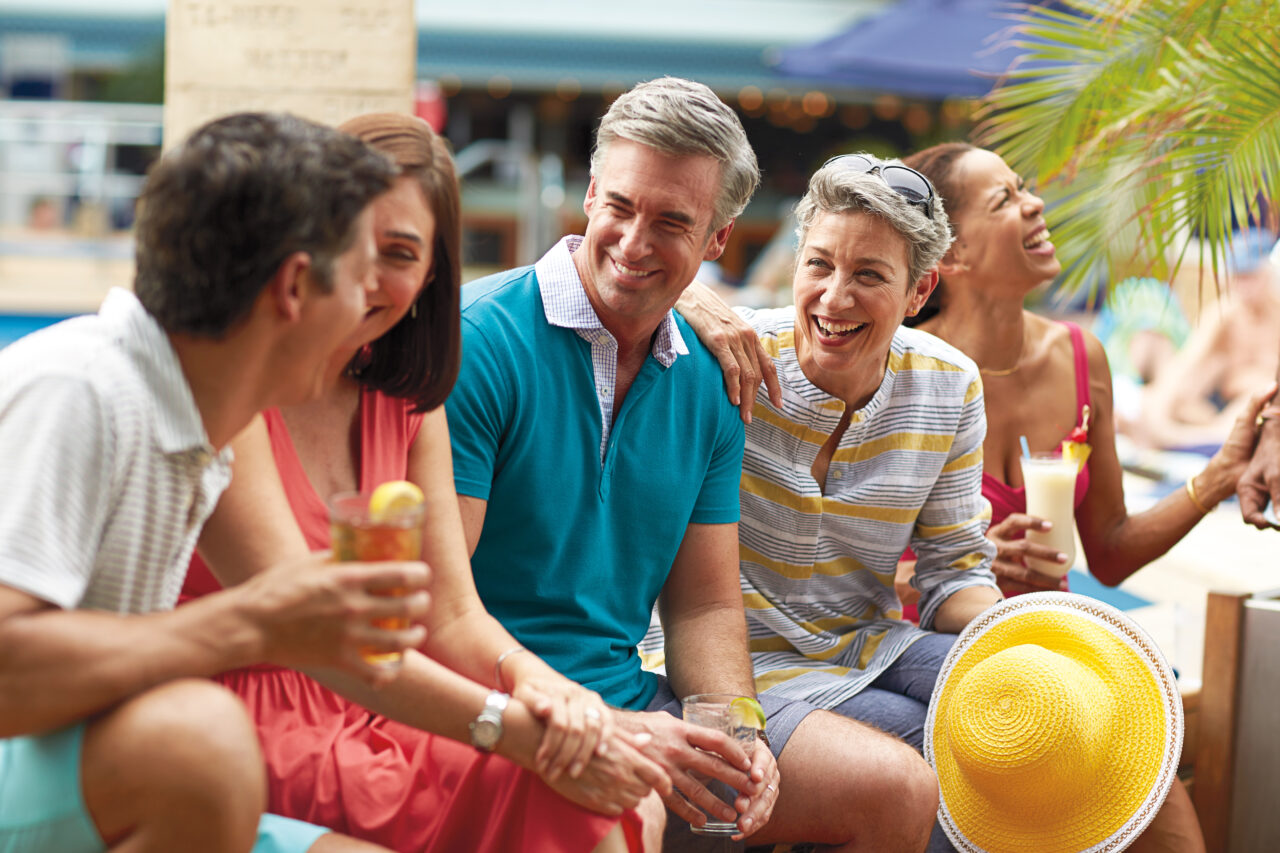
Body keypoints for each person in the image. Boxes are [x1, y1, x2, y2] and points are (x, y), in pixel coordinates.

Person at [446, 77, 941, 853]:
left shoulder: (713, 379)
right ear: (589, 195)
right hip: (491, 709)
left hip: (638, 705)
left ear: (717, 240)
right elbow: (442, 611)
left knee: (895, 789)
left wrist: (736, 730)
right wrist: (611, 730)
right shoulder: (480, 345)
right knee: (621, 818)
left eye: (672, 221)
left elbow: (705, 606)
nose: (636, 241)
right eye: (620, 206)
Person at [181, 113, 661, 853]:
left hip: (374, 707)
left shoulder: (407, 399)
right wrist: (513, 723)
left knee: (592, 808)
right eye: (350, 244)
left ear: (434, 272)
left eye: (401, 253)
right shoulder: (237, 381)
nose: (365, 279)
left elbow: (451, 616)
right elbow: (312, 631)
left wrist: (549, 689)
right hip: (229, 715)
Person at [0, 112, 431, 853]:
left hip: (83, 771)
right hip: (60, 765)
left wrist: (514, 724)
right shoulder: (82, 388)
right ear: (295, 286)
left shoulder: (196, 415)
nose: (371, 304)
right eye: (362, 275)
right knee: (199, 745)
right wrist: (252, 624)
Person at [899, 141, 1239, 849]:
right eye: (1005, 199)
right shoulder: (904, 371)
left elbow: (1108, 550)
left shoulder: (1084, 359)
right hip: (937, 650)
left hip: (1063, 643)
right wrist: (962, 561)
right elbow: (833, 561)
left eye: (1024, 185)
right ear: (952, 255)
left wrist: (1219, 476)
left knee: (1163, 802)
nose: (1035, 203)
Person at [674, 153, 1003, 852]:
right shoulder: (729, 358)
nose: (833, 297)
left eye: (869, 275)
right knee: (939, 745)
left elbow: (953, 575)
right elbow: (618, 280)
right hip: (732, 661)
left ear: (920, 291)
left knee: (1016, 701)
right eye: (819, 264)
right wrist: (689, 293)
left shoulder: (948, 385)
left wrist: (1050, 628)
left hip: (866, 645)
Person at [1126, 228, 1280, 453]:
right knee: (1194, 373)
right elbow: (1187, 361)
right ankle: (1165, 430)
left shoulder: (1275, 315)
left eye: (1249, 277)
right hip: (1214, 405)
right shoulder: (1225, 314)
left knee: (1263, 391)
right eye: (1237, 277)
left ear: (1265, 273)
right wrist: (1162, 404)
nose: (1242, 286)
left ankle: (1184, 437)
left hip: (1254, 408)